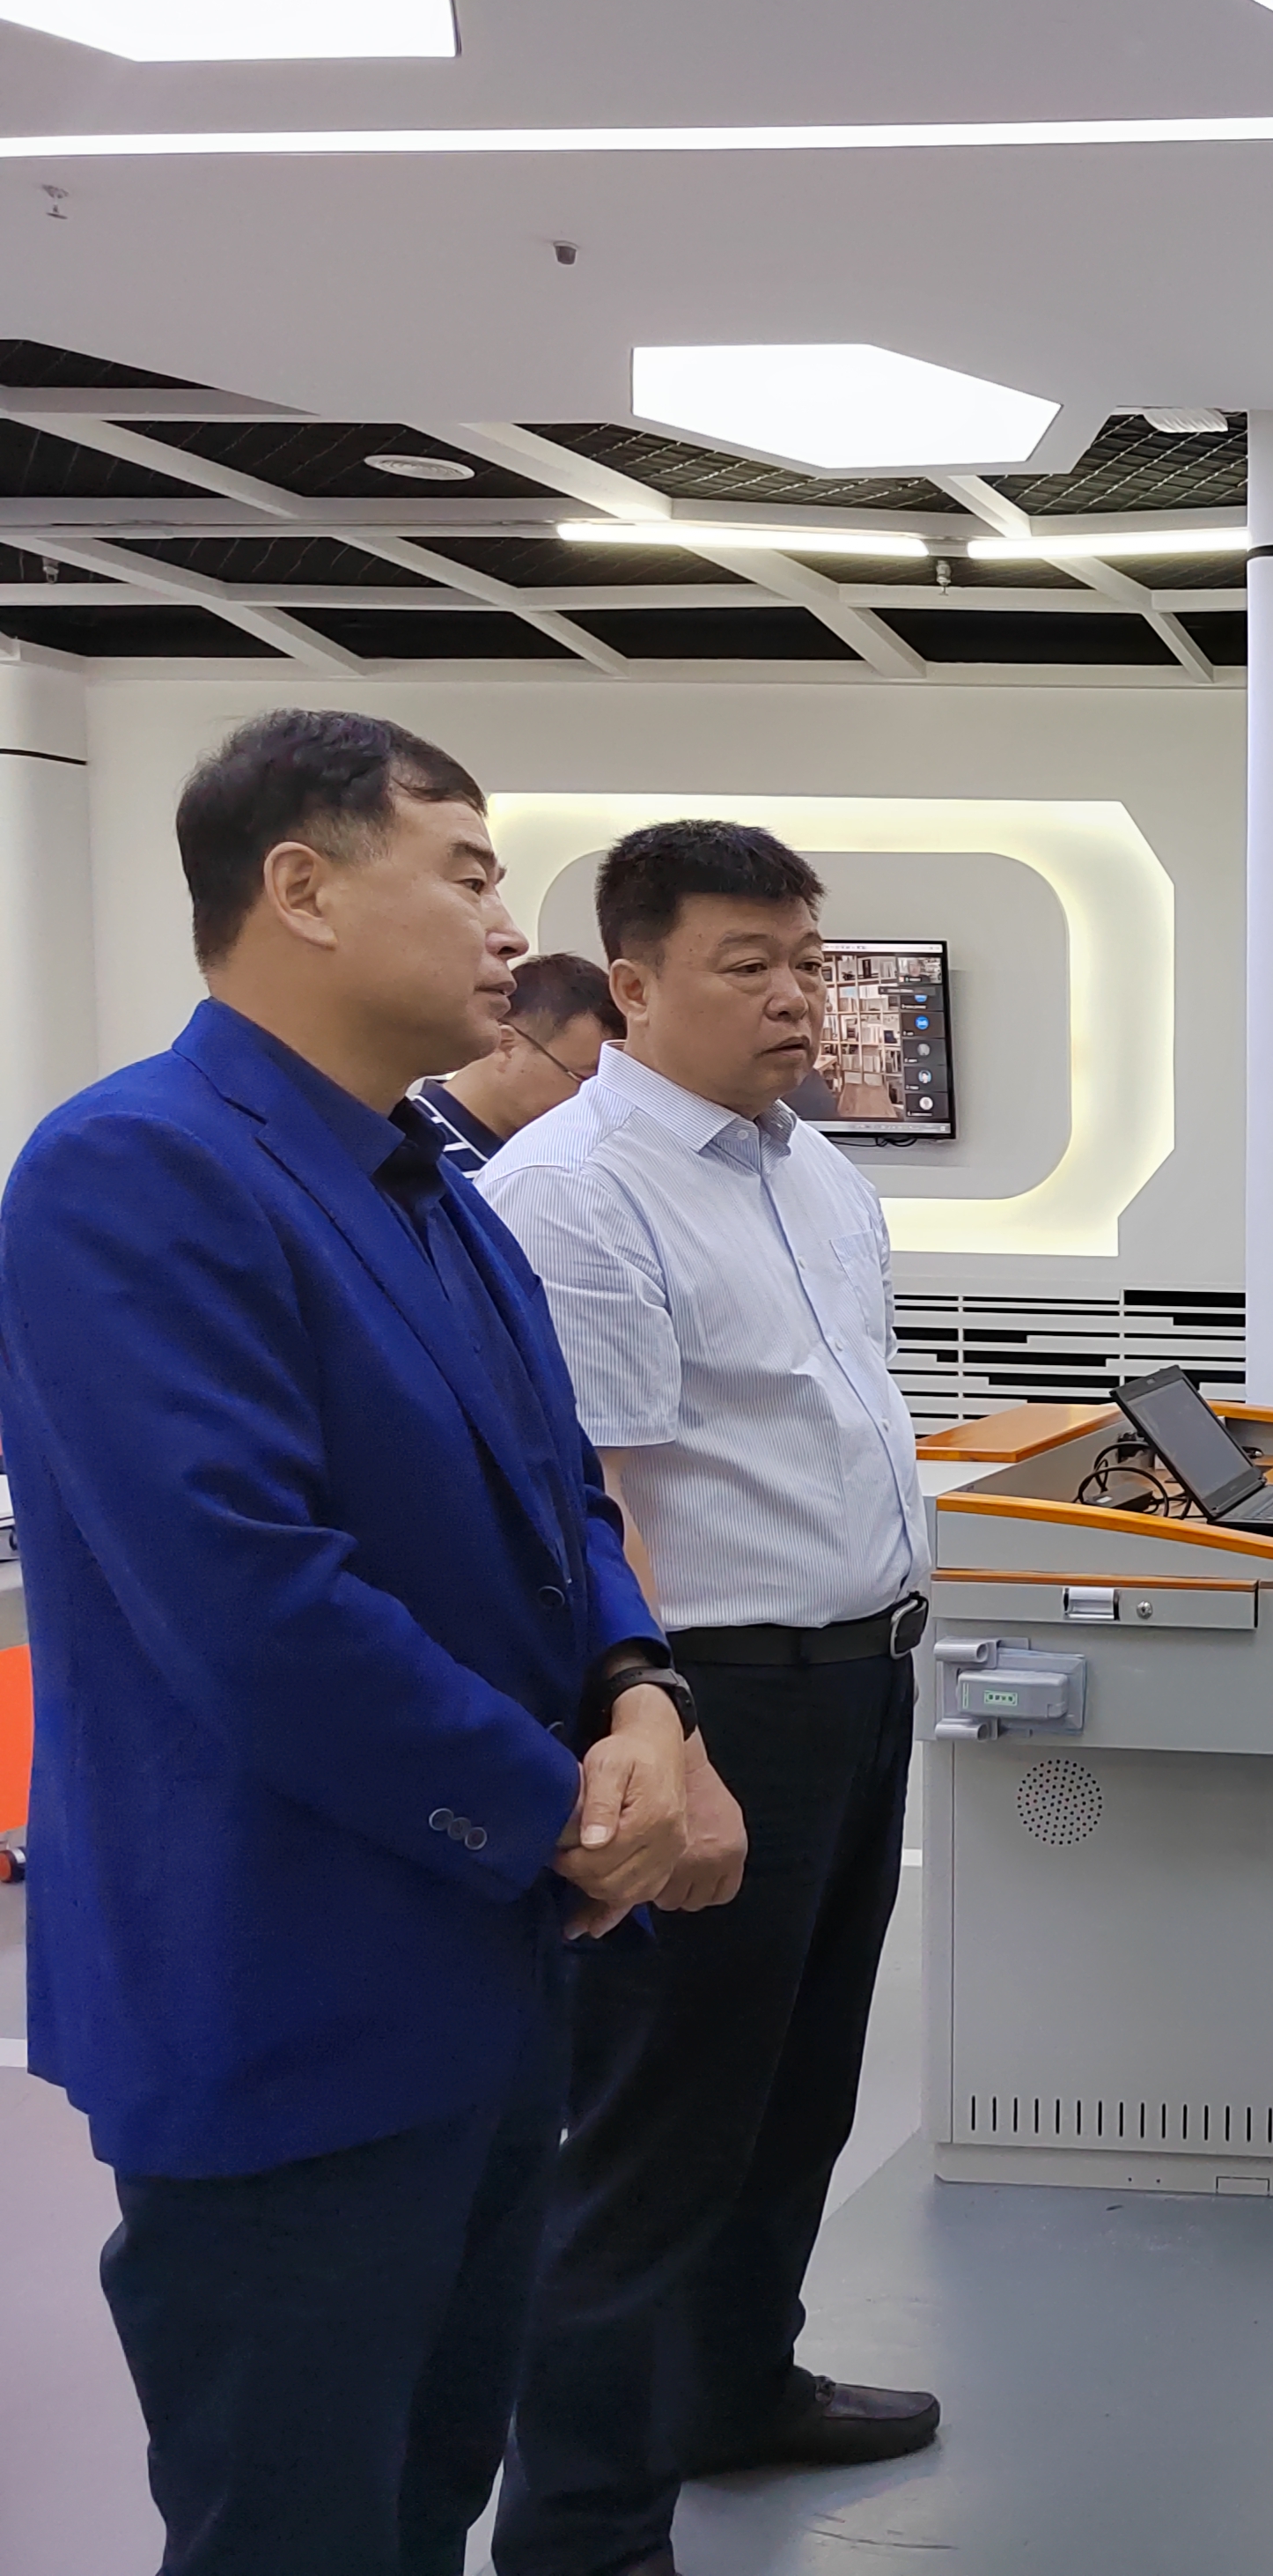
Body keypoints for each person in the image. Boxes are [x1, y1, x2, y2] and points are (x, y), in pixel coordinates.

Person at [0, 709, 705, 2576]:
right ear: (300, 888)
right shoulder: (133, 1171)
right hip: (284, 1993)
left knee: (421, 2492)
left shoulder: (429, 1186)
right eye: (466, 872)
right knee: (294, 2523)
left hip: (483, 1980)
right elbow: (254, 1603)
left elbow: (560, 1498)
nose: (509, 924)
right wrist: (559, 1812)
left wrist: (642, 1694)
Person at [480, 819, 939, 2576]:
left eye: (807, 960)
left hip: (857, 1684)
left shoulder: (811, 1170)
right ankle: (583, 2531)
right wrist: (666, 1734)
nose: (795, 997)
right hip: (713, 1697)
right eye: (748, 965)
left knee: (798, 2092)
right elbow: (579, 1502)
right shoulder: (577, 1191)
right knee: (656, 2136)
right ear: (633, 982)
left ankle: (735, 2387)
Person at [414, 949, 624, 1173]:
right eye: (587, 1079)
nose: (599, 1101)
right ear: (506, 1047)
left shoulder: (554, 1158)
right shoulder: (408, 1152)